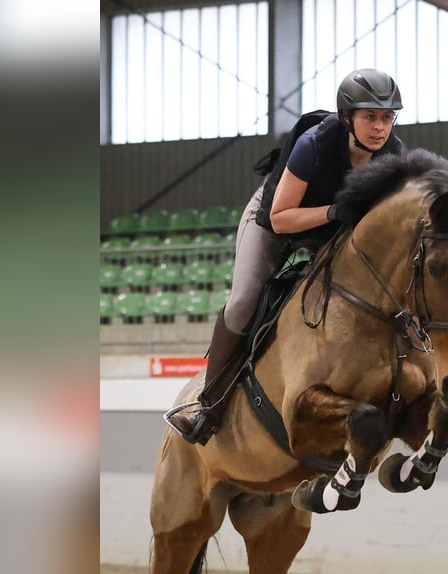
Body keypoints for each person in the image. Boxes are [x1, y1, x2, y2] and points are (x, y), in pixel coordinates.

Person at [169, 68, 405, 444]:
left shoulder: (394, 156)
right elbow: (281, 219)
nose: (380, 127)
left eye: (387, 117)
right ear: (347, 117)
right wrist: (332, 212)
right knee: (245, 300)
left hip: (330, 231)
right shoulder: (314, 144)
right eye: (370, 116)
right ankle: (206, 402)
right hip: (276, 218)